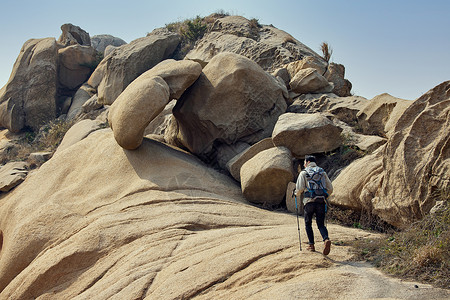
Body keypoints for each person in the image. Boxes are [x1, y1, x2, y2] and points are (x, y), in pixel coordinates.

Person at [295, 155, 333, 255]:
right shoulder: (322, 172)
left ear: (307, 162)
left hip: (309, 202)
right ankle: (326, 240)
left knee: (308, 223)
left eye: (304, 162)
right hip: (321, 202)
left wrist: (295, 194)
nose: (304, 164)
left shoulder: (304, 172)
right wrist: (325, 197)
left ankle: (311, 245)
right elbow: (330, 188)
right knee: (321, 224)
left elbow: (299, 188)